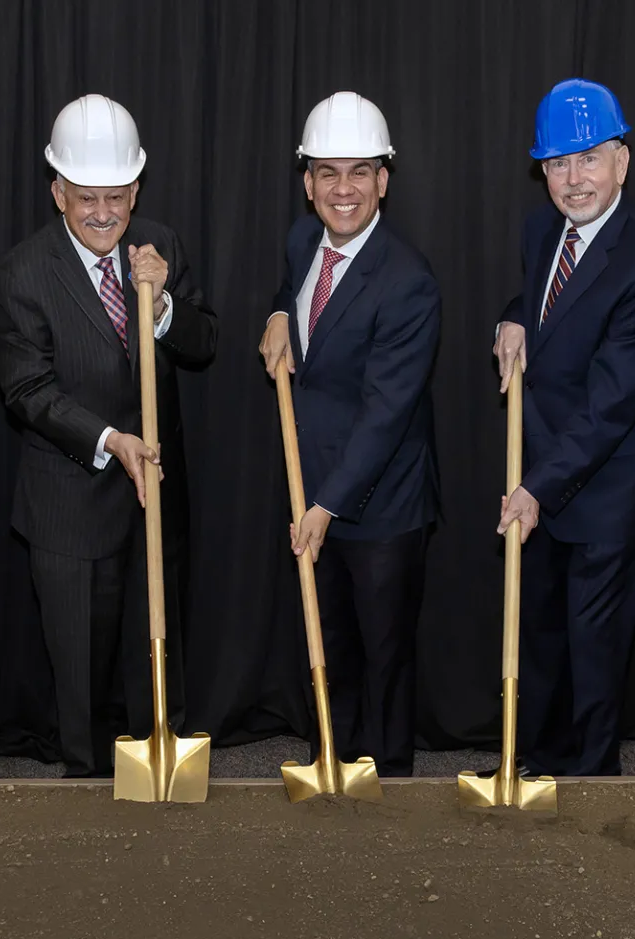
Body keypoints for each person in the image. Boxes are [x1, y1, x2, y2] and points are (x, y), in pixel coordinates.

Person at [0, 94, 218, 778]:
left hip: (155, 501)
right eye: (86, 196)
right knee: (82, 682)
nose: (103, 213)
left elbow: (204, 343)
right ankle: (85, 796)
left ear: (136, 187)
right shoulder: (21, 274)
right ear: (57, 190)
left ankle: (159, 783)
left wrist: (166, 305)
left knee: (156, 662)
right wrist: (111, 438)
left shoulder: (162, 245)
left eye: (116, 195)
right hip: (71, 504)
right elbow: (28, 391)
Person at [491, 79, 635, 777]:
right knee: (541, 634)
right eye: (557, 163)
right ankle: (532, 760)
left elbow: (611, 403)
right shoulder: (542, 227)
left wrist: (536, 486)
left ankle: (590, 781)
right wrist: (515, 313)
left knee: (593, 648)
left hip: (608, 490)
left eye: (589, 160)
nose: (573, 180)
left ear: (622, 163)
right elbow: (547, 304)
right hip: (544, 469)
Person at [257, 92, 442, 777]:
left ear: (384, 181)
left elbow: (386, 412)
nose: (344, 189)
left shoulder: (409, 283)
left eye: (359, 172)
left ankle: (389, 785)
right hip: (314, 487)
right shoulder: (303, 241)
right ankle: (328, 769)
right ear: (307, 183)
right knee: (323, 643)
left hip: (380, 504)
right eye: (328, 173)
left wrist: (325, 506)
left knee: (383, 657)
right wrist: (279, 311)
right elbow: (294, 293)